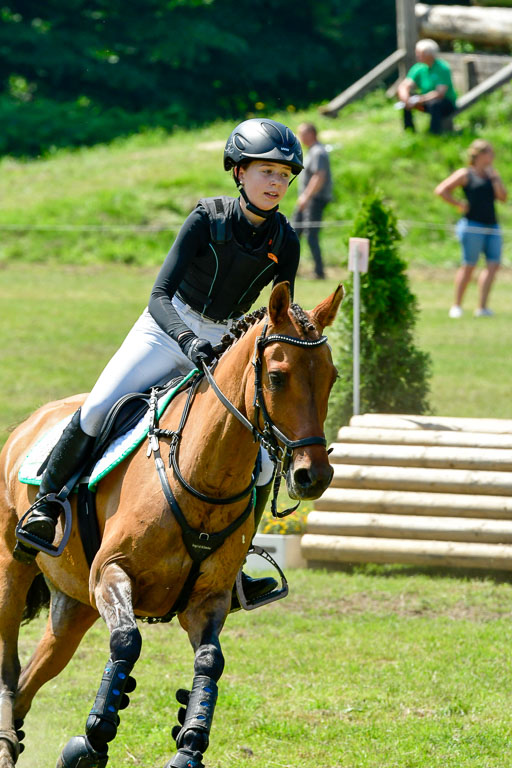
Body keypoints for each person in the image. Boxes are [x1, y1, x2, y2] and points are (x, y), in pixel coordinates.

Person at [15, 118, 304, 606]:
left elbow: (277, 312)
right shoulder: (205, 220)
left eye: (285, 175)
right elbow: (159, 295)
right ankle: (45, 506)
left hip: (226, 343)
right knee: (98, 408)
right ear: (239, 172)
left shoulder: (286, 241)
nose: (277, 183)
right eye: (266, 172)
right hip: (165, 329)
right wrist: (189, 341)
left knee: (254, 459)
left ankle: (237, 560)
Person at [435, 139, 507, 318]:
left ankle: (482, 307)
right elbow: (442, 190)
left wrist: (495, 178)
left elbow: (503, 197)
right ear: (480, 155)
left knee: (493, 264)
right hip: (472, 225)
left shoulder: (492, 175)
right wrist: (459, 204)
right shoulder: (466, 173)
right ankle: (457, 305)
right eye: (490, 152)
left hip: (492, 225)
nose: (492, 156)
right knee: (469, 265)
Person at [292, 123, 332, 279]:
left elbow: (319, 177)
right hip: (308, 200)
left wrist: (305, 197)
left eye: (302, 133)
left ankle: (319, 271)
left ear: (311, 134)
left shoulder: (318, 152)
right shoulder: (312, 152)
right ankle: (291, 268)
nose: (300, 137)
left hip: (314, 199)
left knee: (310, 235)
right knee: (295, 232)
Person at [397, 39, 457, 135]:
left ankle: (434, 133)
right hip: (425, 101)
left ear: (430, 55)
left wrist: (421, 99)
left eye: (420, 53)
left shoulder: (442, 68)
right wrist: (406, 99)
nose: (417, 55)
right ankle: (409, 130)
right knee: (407, 100)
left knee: (435, 104)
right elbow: (404, 86)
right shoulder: (419, 67)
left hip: (445, 103)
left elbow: (440, 94)